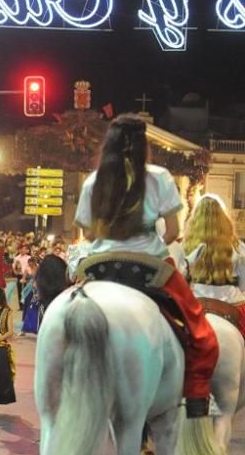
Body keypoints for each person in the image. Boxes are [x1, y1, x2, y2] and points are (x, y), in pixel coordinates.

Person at [73, 114, 217, 418]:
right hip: (150, 264)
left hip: (99, 264)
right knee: (201, 334)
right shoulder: (160, 177)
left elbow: (87, 232)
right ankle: (197, 400)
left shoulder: (92, 181)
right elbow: (175, 231)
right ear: (143, 144)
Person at [179, 194, 245, 332]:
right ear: (224, 219)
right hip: (232, 304)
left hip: (196, 305)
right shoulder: (239, 248)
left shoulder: (183, 249)